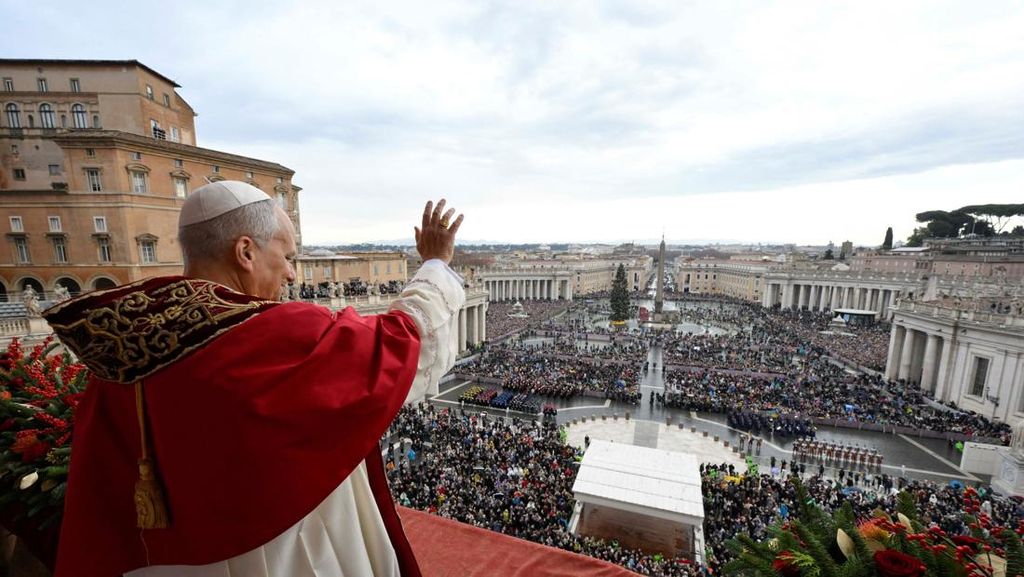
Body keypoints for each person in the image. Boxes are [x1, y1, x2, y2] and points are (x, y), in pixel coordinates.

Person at [43, 181, 466, 577]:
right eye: (287, 258)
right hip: (276, 553)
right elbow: (403, 340)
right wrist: (434, 263)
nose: (292, 275)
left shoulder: (123, 347)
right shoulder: (273, 334)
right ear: (245, 252)